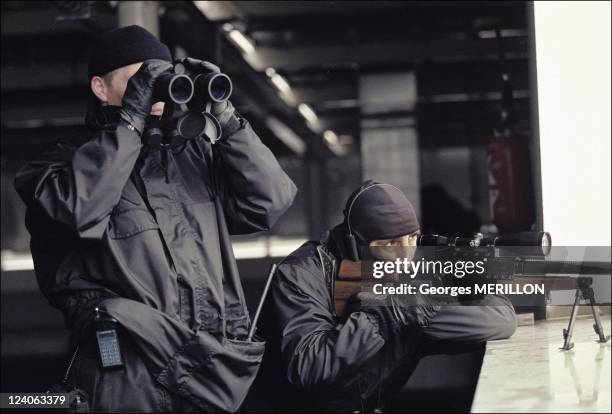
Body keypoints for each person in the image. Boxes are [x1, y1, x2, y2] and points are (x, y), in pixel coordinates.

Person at [14, 25, 297, 412]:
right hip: (125, 368)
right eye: (139, 79)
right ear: (101, 88)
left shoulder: (192, 159)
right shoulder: (57, 169)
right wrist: (130, 119)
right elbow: (79, 209)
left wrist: (227, 119)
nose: (154, 89)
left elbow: (270, 202)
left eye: (161, 77)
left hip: (206, 366)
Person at [249, 180, 516, 412]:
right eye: (389, 244)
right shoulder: (302, 274)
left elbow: (501, 320)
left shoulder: (411, 282)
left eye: (412, 238)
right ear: (357, 245)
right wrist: (386, 312)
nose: (405, 256)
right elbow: (309, 366)